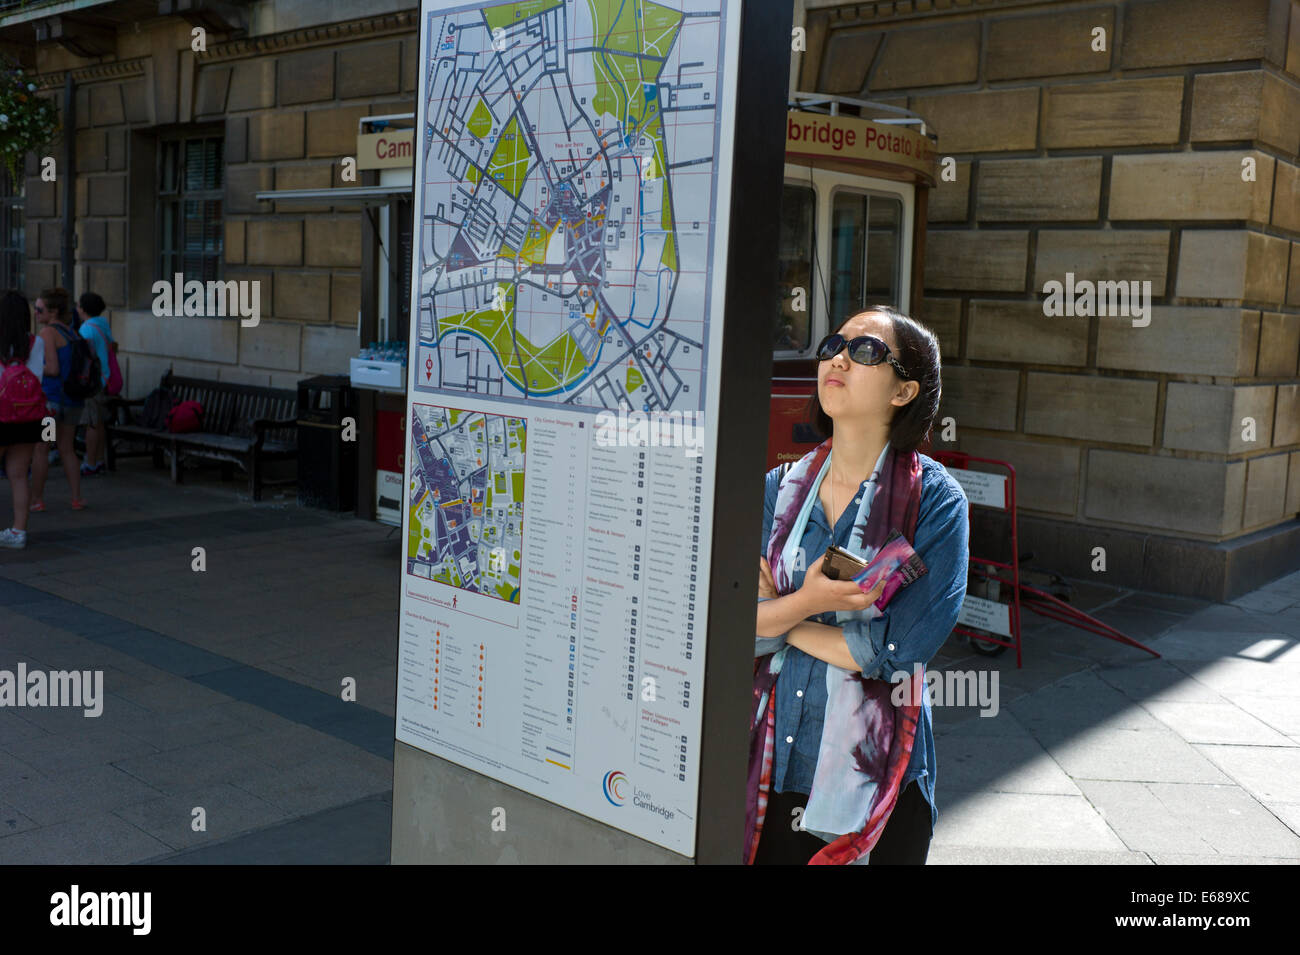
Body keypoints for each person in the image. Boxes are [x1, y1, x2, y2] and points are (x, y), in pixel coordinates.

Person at [747, 306, 969, 865]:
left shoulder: (935, 505)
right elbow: (728, 623)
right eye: (832, 346)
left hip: (876, 781)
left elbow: (896, 652)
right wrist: (810, 604)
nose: (838, 359)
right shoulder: (779, 489)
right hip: (769, 769)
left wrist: (784, 615)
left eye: (866, 350)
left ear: (903, 391)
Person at [28, 287, 85, 511]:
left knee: (41, 449)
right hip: (72, 401)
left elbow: (52, 368)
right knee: (67, 448)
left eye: (39, 309)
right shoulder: (73, 333)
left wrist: (32, 368)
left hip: (50, 403)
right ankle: (76, 498)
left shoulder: (47, 333)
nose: (36, 313)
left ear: (52, 311)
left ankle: (37, 499)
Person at [0, 290, 46, 547]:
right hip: (29, 416)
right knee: (18, 475)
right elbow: (38, 379)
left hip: (1, 413)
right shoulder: (35, 343)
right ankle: (18, 532)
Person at [74, 291, 112, 475]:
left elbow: (84, 356)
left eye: (79, 305)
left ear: (84, 309)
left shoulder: (86, 329)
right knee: (99, 422)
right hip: (104, 378)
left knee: (91, 423)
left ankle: (90, 462)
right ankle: (99, 459)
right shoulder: (103, 325)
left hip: (92, 382)